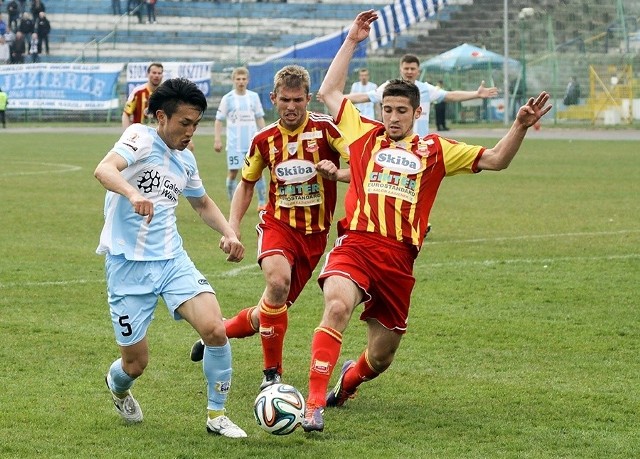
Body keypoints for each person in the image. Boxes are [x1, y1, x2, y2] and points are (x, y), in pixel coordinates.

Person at [301, 10, 552, 432]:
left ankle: (348, 380)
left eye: (401, 110)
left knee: (381, 357)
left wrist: (519, 126)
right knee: (338, 304)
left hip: (399, 260)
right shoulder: (362, 135)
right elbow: (328, 90)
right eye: (387, 109)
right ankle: (311, 406)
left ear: (417, 112)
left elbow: (495, 160)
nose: (393, 117)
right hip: (357, 245)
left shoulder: (435, 149)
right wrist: (352, 40)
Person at [94, 77, 248, 438]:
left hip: (171, 260)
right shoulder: (140, 137)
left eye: (196, 124)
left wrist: (228, 232)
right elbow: (104, 169)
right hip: (127, 266)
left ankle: (217, 415)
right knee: (135, 364)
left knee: (214, 329)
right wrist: (132, 195)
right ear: (161, 117)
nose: (191, 132)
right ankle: (117, 386)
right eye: (184, 123)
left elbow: (202, 202)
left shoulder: (186, 159)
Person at [189, 65, 350, 392]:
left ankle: (220, 331)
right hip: (278, 225)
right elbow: (246, 185)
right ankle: (271, 374)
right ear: (273, 99)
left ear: (308, 99)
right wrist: (232, 228)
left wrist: (339, 170)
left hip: (315, 236)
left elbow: (359, 161)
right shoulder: (264, 140)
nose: (291, 107)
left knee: (269, 313)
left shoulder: (327, 131)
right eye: (285, 100)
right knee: (277, 282)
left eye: (298, 100)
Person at [347, 54, 498, 137]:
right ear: (401, 69)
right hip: (395, 141)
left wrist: (476, 94)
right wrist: (336, 98)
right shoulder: (390, 87)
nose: (409, 71)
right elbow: (364, 97)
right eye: (406, 68)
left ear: (418, 70)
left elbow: (450, 96)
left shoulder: (425, 89)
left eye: (412, 68)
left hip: (420, 143)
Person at [214, 66, 267, 209]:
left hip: (252, 143)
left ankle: (262, 203)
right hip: (234, 144)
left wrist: (264, 135)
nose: (241, 82)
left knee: (258, 172)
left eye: (243, 79)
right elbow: (219, 119)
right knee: (233, 173)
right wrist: (217, 139)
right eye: (238, 79)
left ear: (248, 80)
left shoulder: (253, 97)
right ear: (233, 80)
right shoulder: (228, 98)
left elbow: (259, 118)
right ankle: (233, 203)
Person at [122, 62, 163, 128]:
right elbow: (126, 114)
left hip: (159, 136)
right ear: (148, 74)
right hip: (140, 135)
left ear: (162, 75)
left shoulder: (165, 94)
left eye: (159, 73)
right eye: (154, 73)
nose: (156, 75)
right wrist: (127, 133)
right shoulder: (138, 92)